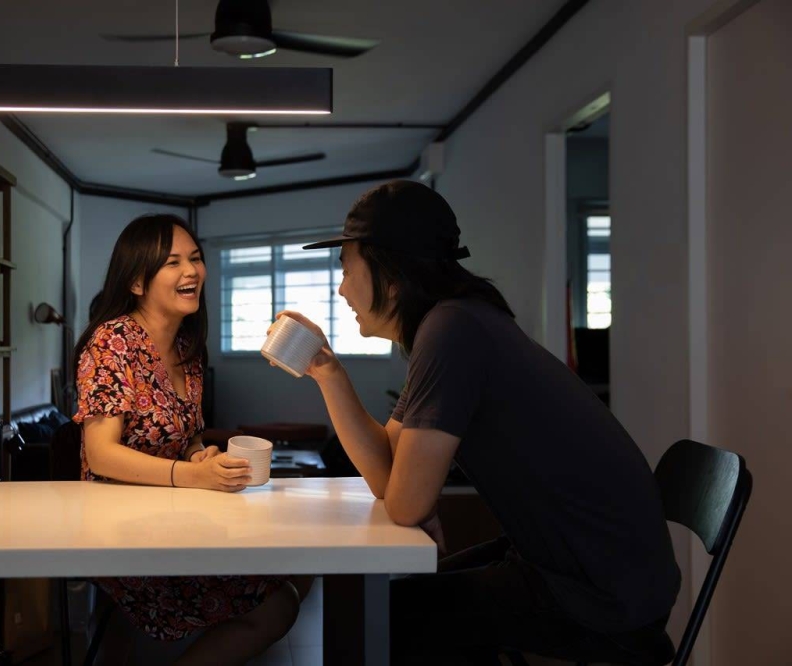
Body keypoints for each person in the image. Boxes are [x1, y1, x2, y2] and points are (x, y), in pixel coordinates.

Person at [275, 180, 680, 665]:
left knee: (376, 620)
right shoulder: (454, 322)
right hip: (589, 570)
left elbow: (405, 504)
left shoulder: (452, 331)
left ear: (391, 273)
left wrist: (413, 497)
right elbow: (388, 475)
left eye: (346, 269)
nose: (341, 289)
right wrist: (328, 372)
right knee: (382, 611)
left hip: (600, 592)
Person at [73, 213, 310, 665]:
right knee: (279, 604)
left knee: (299, 570)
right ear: (137, 282)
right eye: (173, 262)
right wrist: (194, 476)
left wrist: (202, 456)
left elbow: (188, 436)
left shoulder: (187, 348)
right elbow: (101, 455)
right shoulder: (112, 342)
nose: (192, 271)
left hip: (175, 517)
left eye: (196, 258)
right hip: (122, 534)